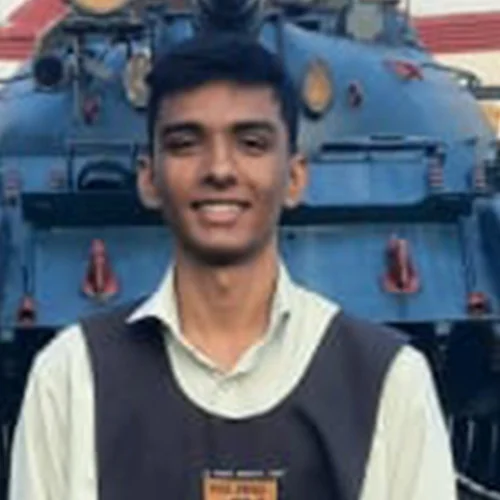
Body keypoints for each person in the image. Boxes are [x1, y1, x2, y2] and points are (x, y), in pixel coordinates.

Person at [8, 34, 457, 500]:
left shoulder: (391, 383)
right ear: (149, 178)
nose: (220, 169)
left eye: (252, 143)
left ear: (295, 177)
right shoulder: (70, 380)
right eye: (185, 143)